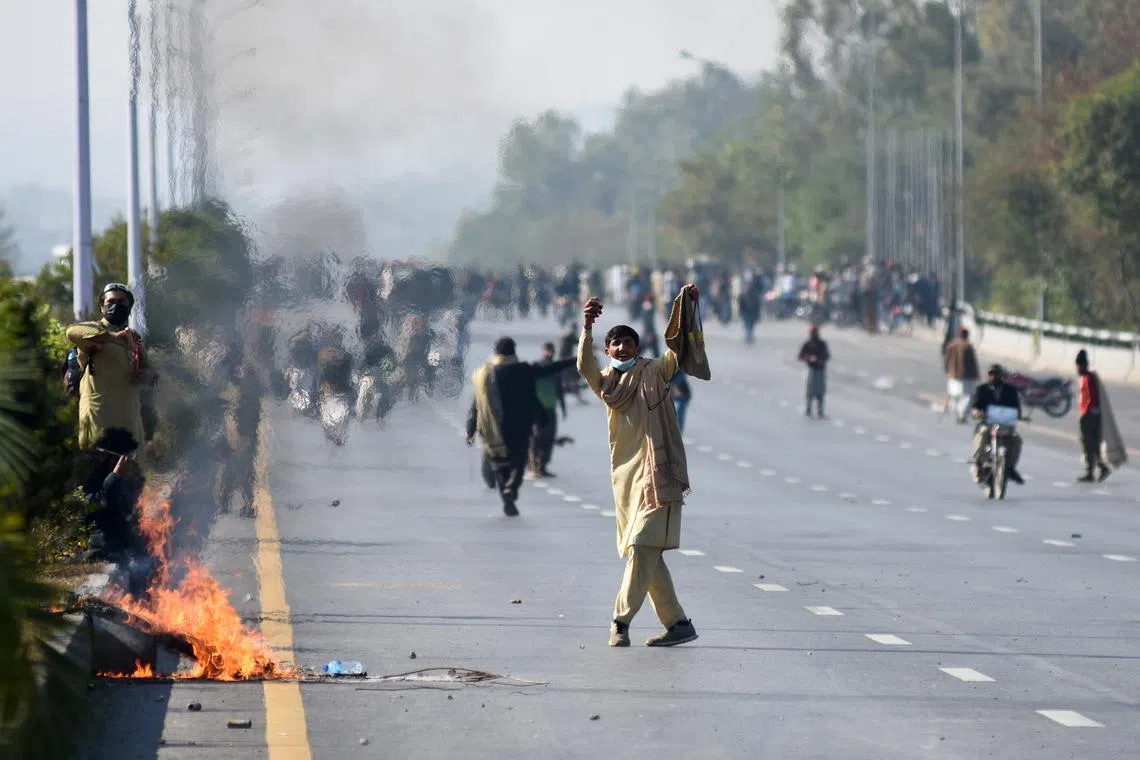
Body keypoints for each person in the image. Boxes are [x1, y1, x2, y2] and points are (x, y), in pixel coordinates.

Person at [578, 285, 709, 648]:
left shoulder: (656, 372)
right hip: (628, 481)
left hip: (660, 474)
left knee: (640, 548)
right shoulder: (606, 384)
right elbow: (583, 366)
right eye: (616, 343)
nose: (622, 348)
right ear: (607, 351)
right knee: (647, 555)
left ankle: (620, 622)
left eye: (629, 342)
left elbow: (678, 351)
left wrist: (685, 308)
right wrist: (587, 327)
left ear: (638, 348)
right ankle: (678, 623)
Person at [465, 337, 574, 516]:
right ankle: (511, 488)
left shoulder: (484, 374)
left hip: (494, 430)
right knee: (518, 462)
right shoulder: (523, 370)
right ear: (514, 351)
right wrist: (575, 360)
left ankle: (507, 495)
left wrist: (470, 429)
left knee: (500, 464)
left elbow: (477, 404)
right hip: (520, 427)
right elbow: (549, 369)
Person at [1075, 349, 1126, 482]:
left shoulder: (1088, 378)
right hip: (1089, 415)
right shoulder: (1087, 377)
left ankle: (1098, 469)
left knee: (1089, 444)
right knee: (1091, 445)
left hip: (1089, 416)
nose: (1078, 369)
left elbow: (1092, 398)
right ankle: (1095, 470)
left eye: (1079, 366)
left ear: (1083, 365)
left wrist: (1087, 413)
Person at [969, 364, 1024, 484]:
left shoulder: (1010, 390)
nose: (994, 376)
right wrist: (976, 412)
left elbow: (1016, 408)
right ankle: (979, 462)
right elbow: (975, 407)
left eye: (996, 374)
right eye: (991, 374)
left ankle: (1010, 467)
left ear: (1001, 376)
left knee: (1017, 440)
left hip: (1005, 425)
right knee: (981, 434)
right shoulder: (982, 389)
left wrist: (1020, 416)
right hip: (987, 424)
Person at [529, 342, 567, 478]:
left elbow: (560, 390)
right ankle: (534, 466)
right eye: (547, 351)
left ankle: (543, 466)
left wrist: (563, 409)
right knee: (536, 437)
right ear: (543, 352)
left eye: (551, 351)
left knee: (549, 438)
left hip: (551, 409)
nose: (550, 354)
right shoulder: (536, 367)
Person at [943, 327, 980, 424]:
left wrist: (948, 370)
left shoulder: (951, 345)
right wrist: (975, 375)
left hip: (953, 375)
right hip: (966, 376)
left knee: (954, 395)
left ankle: (956, 412)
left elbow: (946, 360)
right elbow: (972, 363)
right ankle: (961, 414)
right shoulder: (968, 346)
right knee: (966, 396)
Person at [798, 325, 830, 419]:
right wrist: (809, 358)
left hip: (820, 369)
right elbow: (800, 356)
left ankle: (820, 410)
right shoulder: (807, 344)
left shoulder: (822, 344)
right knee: (810, 391)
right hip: (811, 369)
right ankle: (809, 409)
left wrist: (820, 359)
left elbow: (827, 356)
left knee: (820, 391)